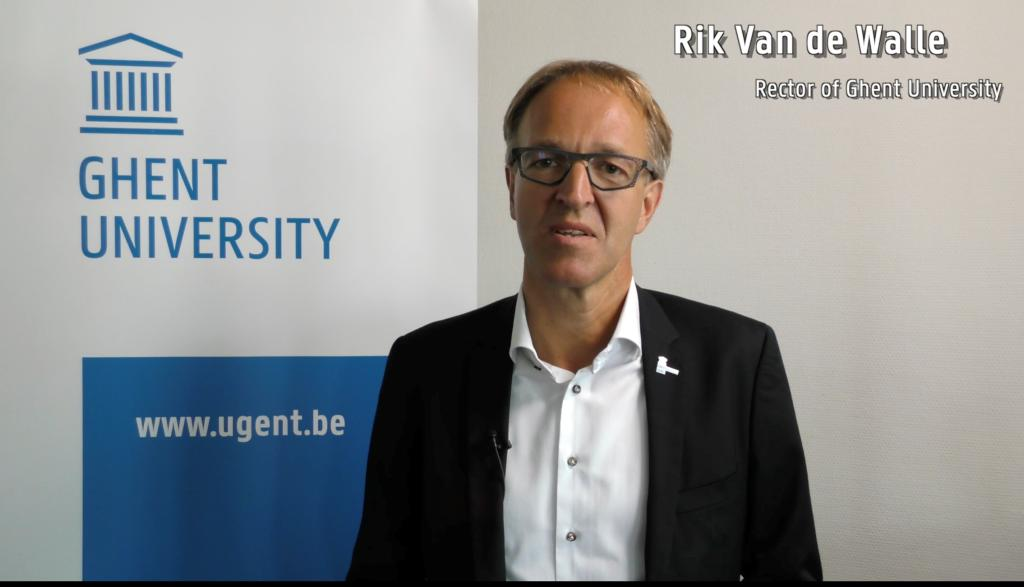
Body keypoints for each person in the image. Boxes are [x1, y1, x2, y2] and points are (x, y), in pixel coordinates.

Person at [348, 60, 822, 581]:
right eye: (546, 160)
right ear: (511, 186)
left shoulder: (737, 364)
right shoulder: (426, 367)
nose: (574, 193)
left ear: (648, 204)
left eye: (610, 168)